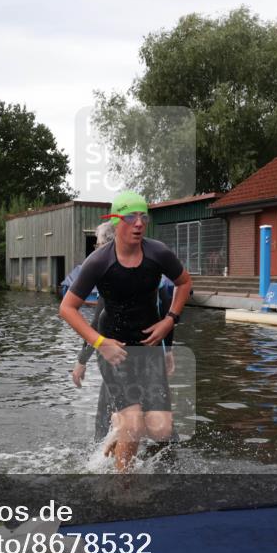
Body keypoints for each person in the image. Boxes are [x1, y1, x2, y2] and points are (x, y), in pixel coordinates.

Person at [59, 191, 192, 472]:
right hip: (114, 349)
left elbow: (184, 282)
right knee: (132, 422)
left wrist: (170, 321)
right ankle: (123, 491)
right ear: (116, 221)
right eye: (131, 217)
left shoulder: (158, 253)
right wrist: (99, 344)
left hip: (149, 347)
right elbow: (67, 308)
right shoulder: (99, 262)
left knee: (161, 428)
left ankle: (119, 436)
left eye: (143, 217)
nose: (139, 223)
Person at [70, 222, 177, 443]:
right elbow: (166, 311)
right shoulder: (148, 271)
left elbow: (98, 324)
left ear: (108, 243)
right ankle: (152, 459)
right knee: (159, 425)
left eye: (98, 243)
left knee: (112, 419)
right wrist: (168, 350)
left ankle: (107, 454)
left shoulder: (108, 274)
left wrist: (82, 360)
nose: (96, 247)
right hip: (147, 353)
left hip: (120, 356)